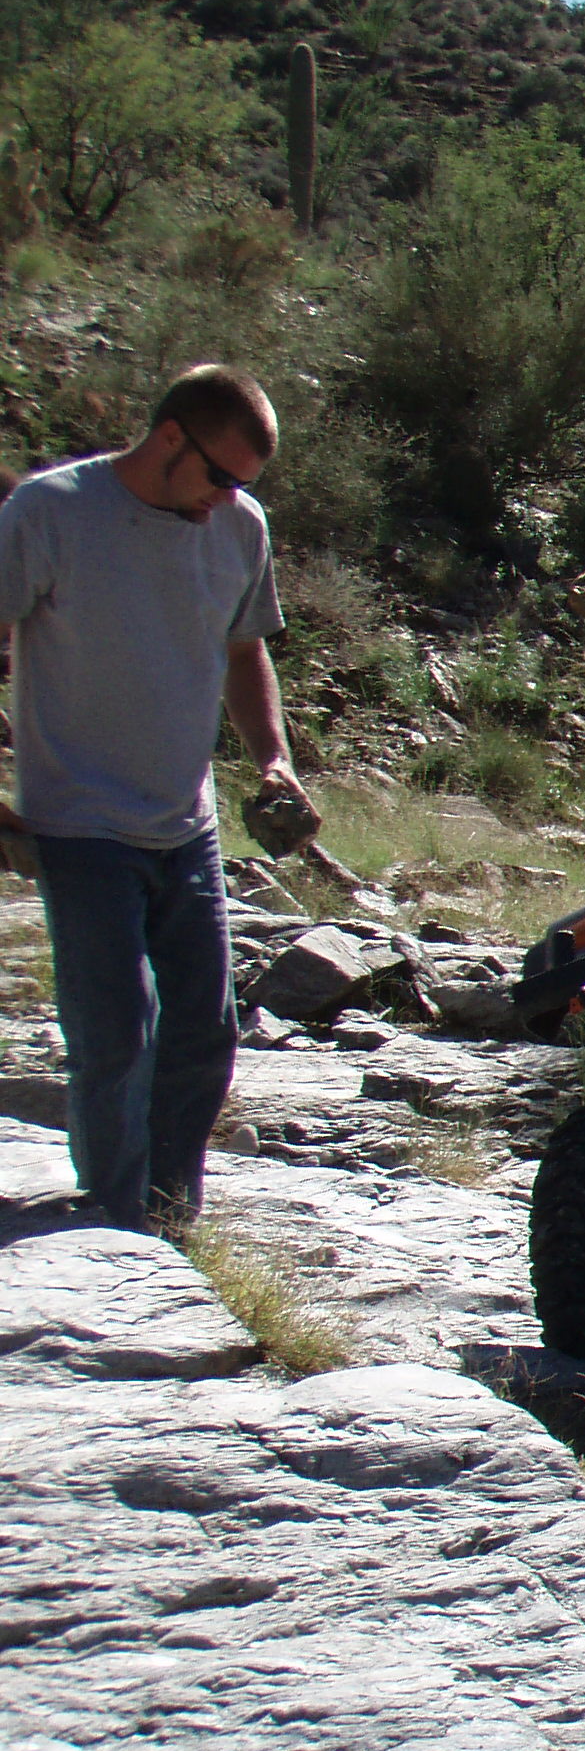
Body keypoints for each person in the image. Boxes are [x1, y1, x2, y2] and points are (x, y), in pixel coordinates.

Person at [0, 366, 300, 1231]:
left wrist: (274, 760)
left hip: (185, 821)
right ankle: (114, 1219)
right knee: (117, 1034)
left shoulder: (239, 526)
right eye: (220, 475)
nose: (226, 498)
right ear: (170, 437)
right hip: (77, 822)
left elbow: (244, 651)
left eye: (243, 483)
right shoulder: (49, 512)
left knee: (204, 1034)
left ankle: (169, 1217)